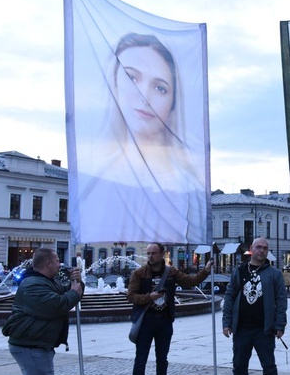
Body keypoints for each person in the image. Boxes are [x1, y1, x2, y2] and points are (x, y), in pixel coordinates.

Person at [75, 32, 207, 244]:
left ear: (173, 104)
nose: (144, 95)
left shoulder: (187, 189)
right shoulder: (97, 181)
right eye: (131, 77)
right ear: (114, 84)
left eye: (159, 88)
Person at [2, 248, 84, 375]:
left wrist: (77, 281)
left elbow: (68, 292)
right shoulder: (32, 285)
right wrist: (74, 292)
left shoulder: (45, 281)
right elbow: (58, 305)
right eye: (57, 261)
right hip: (31, 345)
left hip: (34, 343)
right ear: (47, 263)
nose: (59, 264)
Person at [128, 243, 213, 375]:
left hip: (164, 321)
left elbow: (190, 281)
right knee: (140, 360)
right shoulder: (139, 273)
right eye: (148, 253)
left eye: (153, 253)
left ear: (162, 254)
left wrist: (206, 271)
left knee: (162, 359)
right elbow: (131, 296)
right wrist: (149, 296)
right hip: (146, 321)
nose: (150, 256)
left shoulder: (171, 272)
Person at [221, 237, 288, 375]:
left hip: (264, 328)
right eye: (258, 247)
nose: (262, 251)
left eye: (265, 248)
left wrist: (280, 324)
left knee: (268, 363)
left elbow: (281, 301)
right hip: (242, 327)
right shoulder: (239, 271)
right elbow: (229, 296)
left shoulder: (274, 274)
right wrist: (226, 322)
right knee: (239, 362)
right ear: (251, 248)